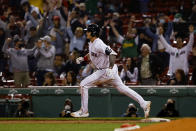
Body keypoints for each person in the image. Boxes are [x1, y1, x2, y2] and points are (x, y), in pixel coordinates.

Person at [71, 24, 151, 118]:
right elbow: (92, 53)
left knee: (83, 84)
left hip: (106, 70)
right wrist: (83, 59)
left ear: (93, 33)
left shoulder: (99, 43)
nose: (86, 32)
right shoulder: (92, 43)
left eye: (88, 31)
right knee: (122, 88)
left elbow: (112, 54)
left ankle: (84, 112)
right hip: (108, 70)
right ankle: (144, 103)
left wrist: (109, 68)